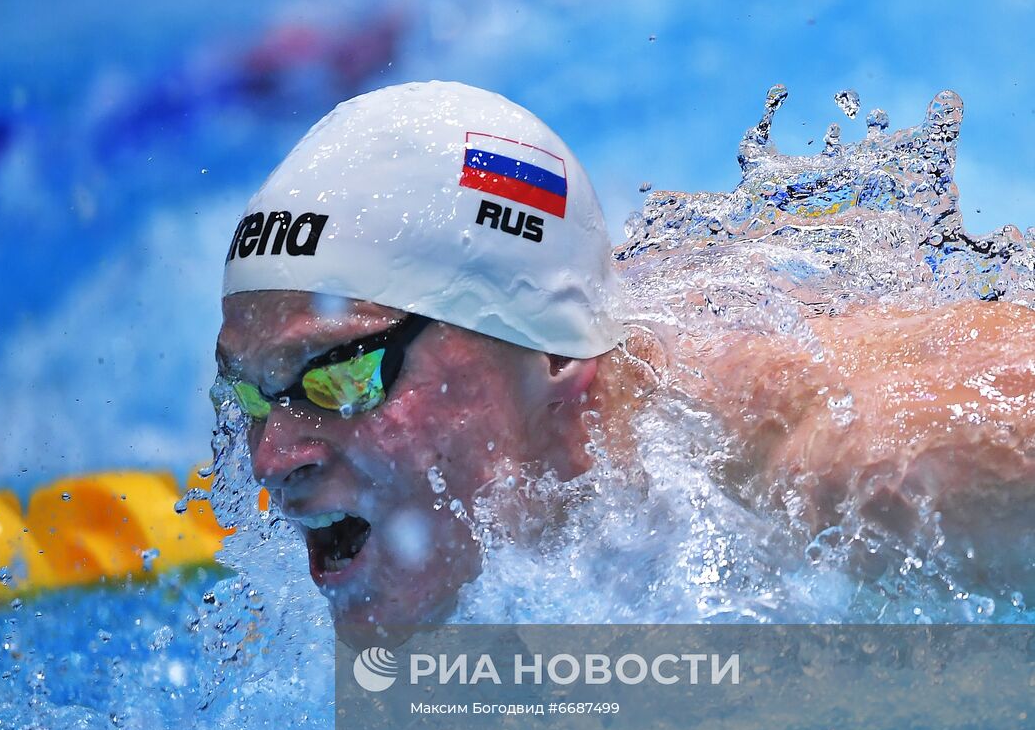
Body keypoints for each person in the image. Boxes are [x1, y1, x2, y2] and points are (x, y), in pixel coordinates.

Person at [214, 81, 1035, 632]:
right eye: (252, 394)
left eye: (338, 374)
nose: (271, 458)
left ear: (550, 354)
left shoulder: (854, 471)